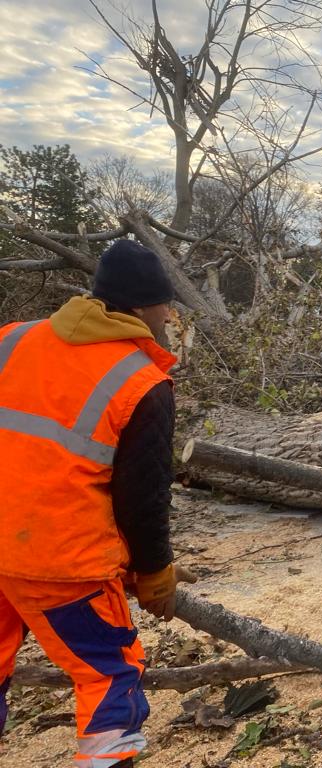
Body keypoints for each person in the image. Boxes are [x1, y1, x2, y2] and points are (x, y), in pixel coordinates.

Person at [0, 239, 196, 768]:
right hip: (60, 564)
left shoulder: (11, 340)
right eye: (164, 305)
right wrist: (154, 573)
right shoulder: (141, 382)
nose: (169, 316)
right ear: (139, 309)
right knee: (108, 675)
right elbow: (143, 498)